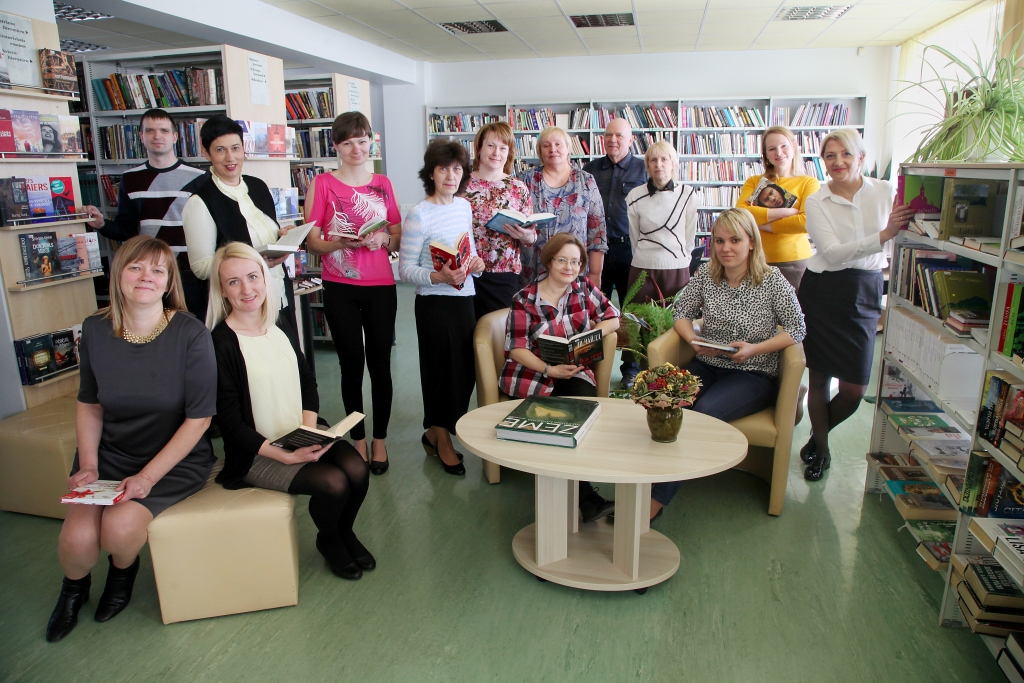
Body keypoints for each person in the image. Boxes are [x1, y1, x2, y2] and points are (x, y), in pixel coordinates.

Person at [45, 236, 216, 643]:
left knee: (119, 531)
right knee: (77, 540)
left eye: (157, 270)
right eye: (135, 267)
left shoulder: (191, 333)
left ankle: (122, 573)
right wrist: (89, 464)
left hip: (172, 460)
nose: (146, 277)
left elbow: (199, 420)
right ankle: (74, 590)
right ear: (118, 274)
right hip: (108, 453)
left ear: (168, 282)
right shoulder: (95, 329)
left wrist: (147, 478)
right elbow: (90, 403)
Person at [208, 242, 372, 580]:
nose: (247, 289)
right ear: (222, 291)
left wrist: (308, 432)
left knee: (357, 469)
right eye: (234, 282)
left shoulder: (280, 321)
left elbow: (307, 382)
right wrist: (284, 454)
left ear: (264, 278)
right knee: (333, 483)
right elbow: (230, 423)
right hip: (257, 452)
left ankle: (344, 531)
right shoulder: (220, 342)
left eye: (253, 277)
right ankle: (330, 540)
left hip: (300, 432)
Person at [651, 209, 805, 520]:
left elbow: (797, 328)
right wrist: (693, 340)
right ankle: (646, 477)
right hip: (708, 363)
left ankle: (654, 502)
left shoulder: (771, 280)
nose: (726, 248)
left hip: (753, 373)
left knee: (706, 411)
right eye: (719, 241)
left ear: (751, 242)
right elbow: (681, 313)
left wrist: (755, 349)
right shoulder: (707, 275)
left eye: (735, 240)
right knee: (662, 398)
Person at [800, 129, 914, 481]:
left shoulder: (885, 191)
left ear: (860, 157)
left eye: (846, 154)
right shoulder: (817, 201)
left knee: (854, 389)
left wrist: (889, 239)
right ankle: (822, 451)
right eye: (830, 155)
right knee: (820, 378)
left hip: (865, 288)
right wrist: (883, 236)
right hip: (823, 290)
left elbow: (906, 232)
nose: (838, 162)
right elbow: (832, 253)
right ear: (823, 161)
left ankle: (816, 436)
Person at [304, 112, 402, 474]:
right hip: (339, 286)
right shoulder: (322, 184)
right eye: (347, 143)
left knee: (380, 365)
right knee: (350, 366)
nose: (356, 149)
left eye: (362, 141)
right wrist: (337, 243)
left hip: (381, 287)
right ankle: (358, 439)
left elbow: (397, 234)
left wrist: (384, 239)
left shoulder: (383, 183)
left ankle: (380, 440)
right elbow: (312, 241)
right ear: (336, 146)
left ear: (370, 142)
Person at [499, 232, 620, 522]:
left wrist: (589, 337)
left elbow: (613, 318)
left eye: (576, 262)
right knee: (564, 415)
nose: (570, 267)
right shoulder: (524, 299)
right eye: (562, 260)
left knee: (582, 403)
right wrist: (549, 369)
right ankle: (584, 498)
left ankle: (574, 494)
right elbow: (516, 348)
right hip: (534, 372)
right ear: (549, 261)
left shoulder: (583, 287)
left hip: (573, 367)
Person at [400, 140, 485, 476]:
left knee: (463, 373)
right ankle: (442, 439)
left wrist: (476, 264)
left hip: (465, 299)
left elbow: (470, 249)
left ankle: (435, 433)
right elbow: (405, 270)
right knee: (440, 373)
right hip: (434, 304)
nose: (451, 175)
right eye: (443, 169)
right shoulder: (419, 214)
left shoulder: (463, 206)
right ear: (431, 174)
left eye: (457, 169)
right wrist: (438, 276)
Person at [181, 115, 298, 340]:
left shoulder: (258, 186)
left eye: (235, 148)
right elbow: (201, 268)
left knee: (287, 355)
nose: (230, 157)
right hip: (240, 307)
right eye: (220, 150)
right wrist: (253, 261)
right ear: (206, 153)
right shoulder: (200, 202)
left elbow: (262, 234)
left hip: (276, 294)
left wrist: (282, 235)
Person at [83, 109, 206, 316]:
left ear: (175, 136)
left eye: (164, 131)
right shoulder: (130, 178)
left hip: (190, 273)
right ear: (141, 136)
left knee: (194, 328)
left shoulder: (200, 177)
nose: (157, 136)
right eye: (150, 131)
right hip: (150, 273)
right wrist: (102, 224)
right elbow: (127, 229)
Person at [517, 126, 607, 286]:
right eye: (546, 145)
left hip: (574, 271)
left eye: (558, 144)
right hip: (533, 270)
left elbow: (597, 232)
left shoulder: (586, 181)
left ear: (568, 148)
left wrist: (595, 274)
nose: (553, 149)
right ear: (540, 151)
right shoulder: (524, 180)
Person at [464, 121, 536, 319]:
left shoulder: (518, 188)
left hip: (504, 274)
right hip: (466, 272)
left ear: (509, 152)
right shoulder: (462, 185)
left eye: (503, 148)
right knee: (466, 331)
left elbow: (531, 238)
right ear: (479, 148)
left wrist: (526, 236)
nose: (497, 153)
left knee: (499, 331)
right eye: (491, 145)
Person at [735, 125, 820, 290]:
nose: (778, 152)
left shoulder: (809, 183)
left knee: (795, 307)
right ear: (766, 154)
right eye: (772, 149)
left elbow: (805, 222)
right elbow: (741, 214)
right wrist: (788, 212)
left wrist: (763, 224)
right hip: (757, 260)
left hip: (795, 262)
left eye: (783, 146)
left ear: (793, 146)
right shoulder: (754, 181)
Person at [624, 140, 698, 309]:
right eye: (653, 160)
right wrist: (645, 258)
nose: (659, 164)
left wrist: (681, 259)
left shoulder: (688, 194)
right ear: (648, 166)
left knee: (677, 320)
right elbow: (634, 237)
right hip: (643, 269)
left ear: (673, 163)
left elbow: (690, 234)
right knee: (639, 320)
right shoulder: (634, 196)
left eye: (664, 159)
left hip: (677, 269)